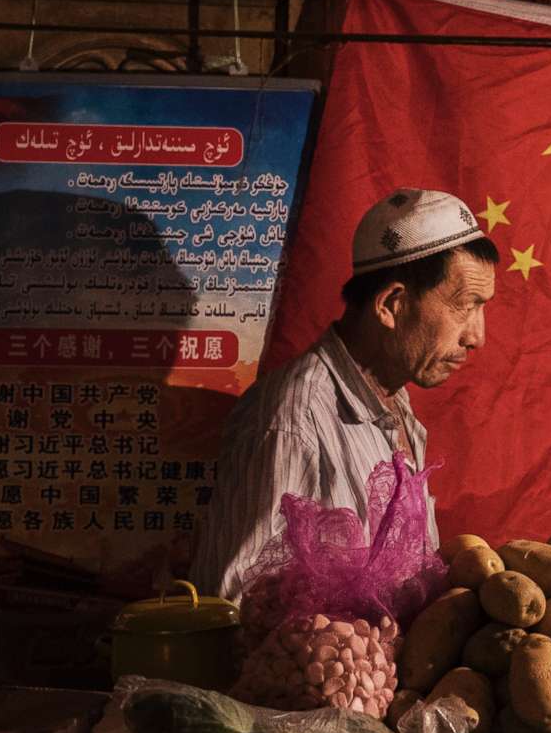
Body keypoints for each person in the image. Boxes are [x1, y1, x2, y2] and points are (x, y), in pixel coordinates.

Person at [192, 188, 497, 599]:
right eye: (465, 305)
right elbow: (237, 599)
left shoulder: (394, 401)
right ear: (391, 305)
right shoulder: (294, 419)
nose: (477, 336)